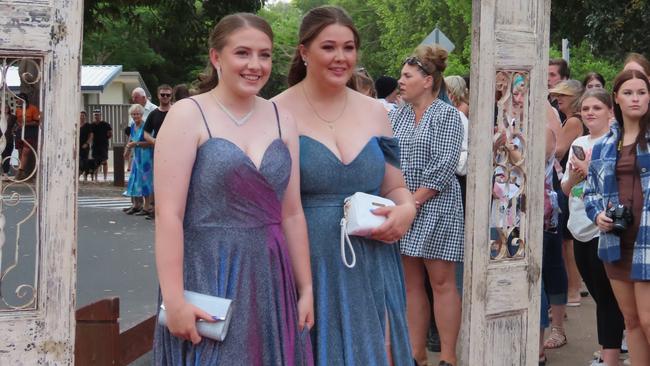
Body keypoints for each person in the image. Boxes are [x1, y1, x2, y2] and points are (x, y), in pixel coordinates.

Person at [152, 13, 313, 365]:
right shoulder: (187, 114)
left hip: (271, 275)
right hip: (209, 271)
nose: (255, 65)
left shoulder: (282, 118)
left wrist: (306, 288)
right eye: (243, 53)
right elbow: (169, 215)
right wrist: (174, 299)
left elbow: (292, 212)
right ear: (216, 57)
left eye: (265, 55)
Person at [273, 6, 416, 366]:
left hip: (372, 258)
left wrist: (406, 210)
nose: (341, 58)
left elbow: (395, 187)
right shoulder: (274, 112)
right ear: (304, 52)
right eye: (329, 47)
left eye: (349, 47)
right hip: (309, 262)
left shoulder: (376, 111)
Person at [389, 44, 464, 366]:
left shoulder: (447, 115)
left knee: (442, 282)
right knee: (410, 284)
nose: (400, 81)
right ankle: (415, 355)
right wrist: (400, 203)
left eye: (407, 75)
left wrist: (411, 203)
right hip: (405, 206)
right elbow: (388, 159)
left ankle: (448, 357)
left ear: (428, 79)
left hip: (438, 206)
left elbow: (444, 166)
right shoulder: (398, 115)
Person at [584, 69, 650, 366]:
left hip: (647, 242)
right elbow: (591, 193)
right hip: (615, 241)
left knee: (648, 320)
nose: (635, 99)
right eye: (628, 93)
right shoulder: (604, 145)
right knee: (631, 320)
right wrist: (597, 214)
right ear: (617, 100)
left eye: (642, 92)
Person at [561, 88, 625, 366]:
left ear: (611, 111)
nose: (589, 113)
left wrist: (590, 170)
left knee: (608, 295)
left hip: (603, 228)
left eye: (597, 108)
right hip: (578, 226)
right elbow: (565, 188)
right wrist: (575, 178)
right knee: (599, 295)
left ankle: (608, 351)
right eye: (585, 108)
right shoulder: (578, 141)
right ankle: (616, 339)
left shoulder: (616, 142)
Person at [123, 104, 153, 215]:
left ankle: (146, 207)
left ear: (141, 114)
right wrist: (127, 150)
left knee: (145, 181)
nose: (135, 116)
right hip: (137, 156)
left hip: (145, 157)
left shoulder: (145, 126)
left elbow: (150, 142)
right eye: (133, 114)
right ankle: (136, 205)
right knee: (134, 179)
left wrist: (136, 144)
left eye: (137, 114)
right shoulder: (132, 125)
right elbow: (131, 139)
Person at [14, 92, 40, 180]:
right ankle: (22, 173)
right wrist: (18, 125)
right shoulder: (18, 110)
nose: (17, 101)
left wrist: (27, 124)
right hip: (20, 131)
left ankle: (19, 173)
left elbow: (37, 122)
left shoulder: (33, 108)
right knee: (20, 153)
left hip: (30, 132)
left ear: (23, 100)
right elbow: (17, 120)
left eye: (19, 99)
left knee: (26, 152)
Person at [90, 109, 113, 181]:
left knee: (104, 161)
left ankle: (105, 177)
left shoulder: (106, 124)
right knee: (95, 162)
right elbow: (90, 135)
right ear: (93, 116)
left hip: (103, 145)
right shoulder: (91, 125)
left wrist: (105, 138)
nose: (96, 116)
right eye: (95, 115)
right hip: (95, 146)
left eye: (98, 114)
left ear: (101, 115)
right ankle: (95, 178)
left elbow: (110, 134)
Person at [1, 104, 17, 177]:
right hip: (0, 139)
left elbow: (18, 125)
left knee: (7, 155)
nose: (5, 109)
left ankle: (5, 172)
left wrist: (14, 130)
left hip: (9, 138)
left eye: (6, 107)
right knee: (2, 155)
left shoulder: (13, 117)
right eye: (3, 107)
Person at [79, 111, 94, 181]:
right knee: (78, 161)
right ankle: (79, 175)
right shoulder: (77, 124)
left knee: (84, 161)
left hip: (84, 146)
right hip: (77, 146)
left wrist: (87, 143)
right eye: (81, 115)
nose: (82, 117)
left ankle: (85, 174)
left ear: (85, 117)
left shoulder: (88, 125)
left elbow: (91, 135)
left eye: (83, 116)